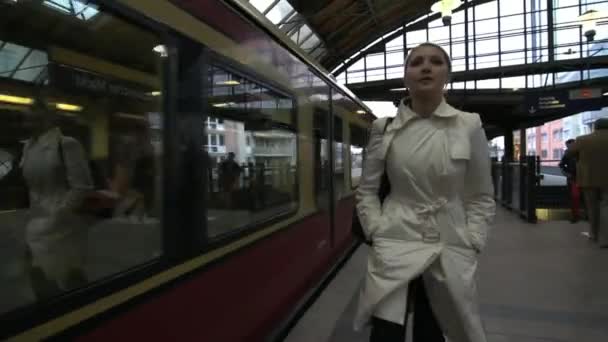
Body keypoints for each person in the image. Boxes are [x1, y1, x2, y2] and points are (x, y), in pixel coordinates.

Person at [355, 42, 495, 342]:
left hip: (450, 241)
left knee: (433, 329)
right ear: (405, 77)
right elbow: (366, 190)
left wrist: (474, 239)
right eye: (416, 62)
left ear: (448, 75)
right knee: (385, 332)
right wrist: (376, 230)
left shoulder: (469, 125)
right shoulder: (384, 127)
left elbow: (481, 194)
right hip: (394, 237)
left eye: (435, 61)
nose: (426, 66)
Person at [20, 98, 94, 298]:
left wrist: (56, 216)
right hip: (34, 227)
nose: (29, 122)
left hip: (63, 231)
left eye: (36, 117)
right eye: (28, 117)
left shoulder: (66, 144)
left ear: (49, 119)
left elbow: (82, 187)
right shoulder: (28, 147)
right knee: (41, 286)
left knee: (65, 288)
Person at [566, 118, 608, 247]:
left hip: (588, 177)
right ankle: (605, 239)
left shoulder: (583, 139)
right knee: (606, 206)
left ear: (595, 127)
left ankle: (594, 234)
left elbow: (568, 153)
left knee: (592, 207)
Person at [559, 139, 581, 223]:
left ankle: (578, 215)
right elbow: (561, 165)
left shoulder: (580, 152)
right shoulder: (567, 153)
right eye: (568, 146)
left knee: (578, 197)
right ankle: (575, 215)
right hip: (573, 178)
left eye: (570, 145)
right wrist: (567, 174)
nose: (569, 147)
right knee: (574, 197)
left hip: (580, 177)